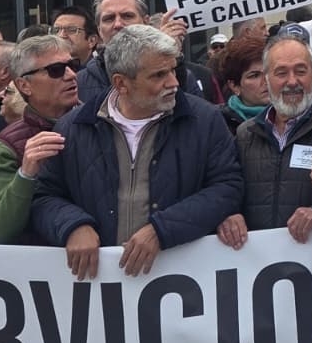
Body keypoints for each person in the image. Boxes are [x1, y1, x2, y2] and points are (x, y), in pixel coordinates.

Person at [29, 24, 244, 279]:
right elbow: (44, 196)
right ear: (121, 83)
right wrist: (73, 225)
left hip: (179, 279)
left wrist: (162, 230)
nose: (173, 82)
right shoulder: (73, 128)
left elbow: (227, 186)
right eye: (158, 75)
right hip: (101, 283)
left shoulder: (204, 120)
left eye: (173, 70)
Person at [226, 35, 312, 240]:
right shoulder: (245, 135)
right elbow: (230, 190)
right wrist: (229, 214)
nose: (292, 81)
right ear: (267, 79)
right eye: (281, 73)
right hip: (258, 258)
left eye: (301, 71)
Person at [0, 34, 81, 244]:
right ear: (24, 85)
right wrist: (25, 175)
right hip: (40, 262)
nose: (71, 75)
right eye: (56, 70)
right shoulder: (6, 147)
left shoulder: (102, 123)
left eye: (73, 65)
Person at [74, 0, 200, 108]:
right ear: (99, 30)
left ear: (145, 22)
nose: (118, 24)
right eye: (109, 18)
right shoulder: (78, 83)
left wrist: (168, 56)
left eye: (127, 16)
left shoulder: (183, 75)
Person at [214, 31, 271, 132]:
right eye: (255, 76)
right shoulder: (218, 123)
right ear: (234, 86)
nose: (266, 80)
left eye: (269, 72)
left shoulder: (293, 114)